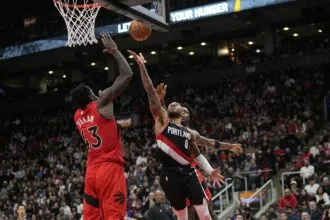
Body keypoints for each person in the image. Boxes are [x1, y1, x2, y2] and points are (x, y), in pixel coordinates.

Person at [128, 50, 223, 220]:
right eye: (170, 103)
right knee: (182, 217)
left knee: (205, 215)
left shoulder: (189, 133)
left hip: (189, 174)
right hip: (169, 175)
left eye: (177, 104)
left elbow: (198, 155)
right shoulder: (162, 122)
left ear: (182, 113)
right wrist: (142, 66)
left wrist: (210, 171)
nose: (174, 104)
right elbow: (150, 91)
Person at [155, 83, 242, 220]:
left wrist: (229, 146)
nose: (183, 112)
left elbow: (211, 143)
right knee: (186, 214)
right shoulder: (167, 125)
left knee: (206, 209)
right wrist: (161, 99)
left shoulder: (191, 133)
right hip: (173, 175)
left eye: (186, 112)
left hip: (192, 173)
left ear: (188, 118)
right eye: (181, 110)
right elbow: (161, 111)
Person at [71, 33, 133, 220]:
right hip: (109, 168)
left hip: (91, 171)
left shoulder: (76, 115)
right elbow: (127, 74)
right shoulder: (101, 104)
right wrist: (114, 51)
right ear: (91, 96)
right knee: (114, 216)